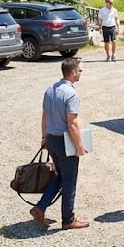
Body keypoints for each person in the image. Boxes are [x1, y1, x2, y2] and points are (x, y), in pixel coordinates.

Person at [30, 57, 89, 230]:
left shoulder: (50, 90)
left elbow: (44, 116)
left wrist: (44, 137)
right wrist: (79, 145)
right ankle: (68, 220)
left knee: (61, 176)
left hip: (51, 139)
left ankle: (40, 207)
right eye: (80, 70)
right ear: (73, 72)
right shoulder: (71, 94)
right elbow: (72, 122)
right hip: (65, 142)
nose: (81, 73)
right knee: (69, 180)